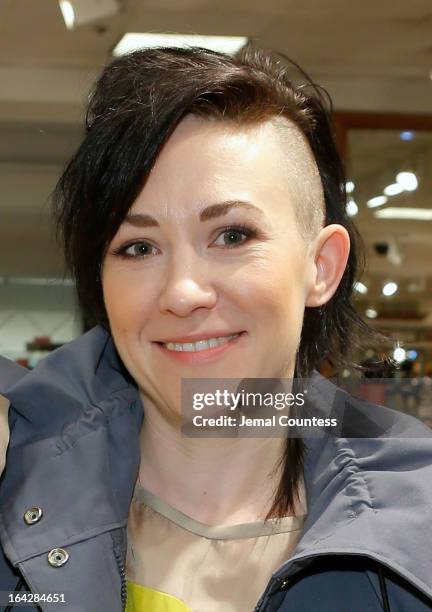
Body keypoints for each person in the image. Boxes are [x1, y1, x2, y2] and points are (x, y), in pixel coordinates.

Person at [0, 46, 431, 612]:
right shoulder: (17, 483)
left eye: (233, 236)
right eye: (138, 247)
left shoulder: (412, 536)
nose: (182, 293)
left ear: (321, 267)